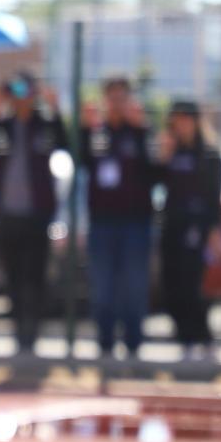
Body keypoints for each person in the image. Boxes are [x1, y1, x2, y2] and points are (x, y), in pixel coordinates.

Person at [0, 71, 68, 356]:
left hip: (37, 216)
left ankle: (32, 336)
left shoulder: (43, 125)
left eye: (27, 91)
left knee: (35, 278)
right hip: (8, 216)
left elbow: (65, 143)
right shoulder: (3, 126)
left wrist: (53, 107)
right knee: (14, 278)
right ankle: (19, 335)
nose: (22, 98)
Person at [78, 76, 154, 362]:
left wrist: (143, 131)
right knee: (103, 286)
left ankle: (134, 344)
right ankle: (105, 344)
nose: (117, 104)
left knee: (134, 285)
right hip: (102, 223)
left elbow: (155, 171)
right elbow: (81, 162)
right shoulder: (97, 134)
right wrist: (84, 129)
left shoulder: (140, 133)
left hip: (136, 223)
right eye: (113, 98)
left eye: (122, 98)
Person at [154, 100, 221, 360]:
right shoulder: (171, 151)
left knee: (192, 285)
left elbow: (214, 196)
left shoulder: (208, 154)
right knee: (171, 284)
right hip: (172, 226)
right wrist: (163, 156)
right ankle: (185, 338)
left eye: (185, 119)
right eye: (176, 119)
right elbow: (154, 181)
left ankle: (201, 338)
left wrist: (214, 231)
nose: (181, 124)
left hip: (196, 228)